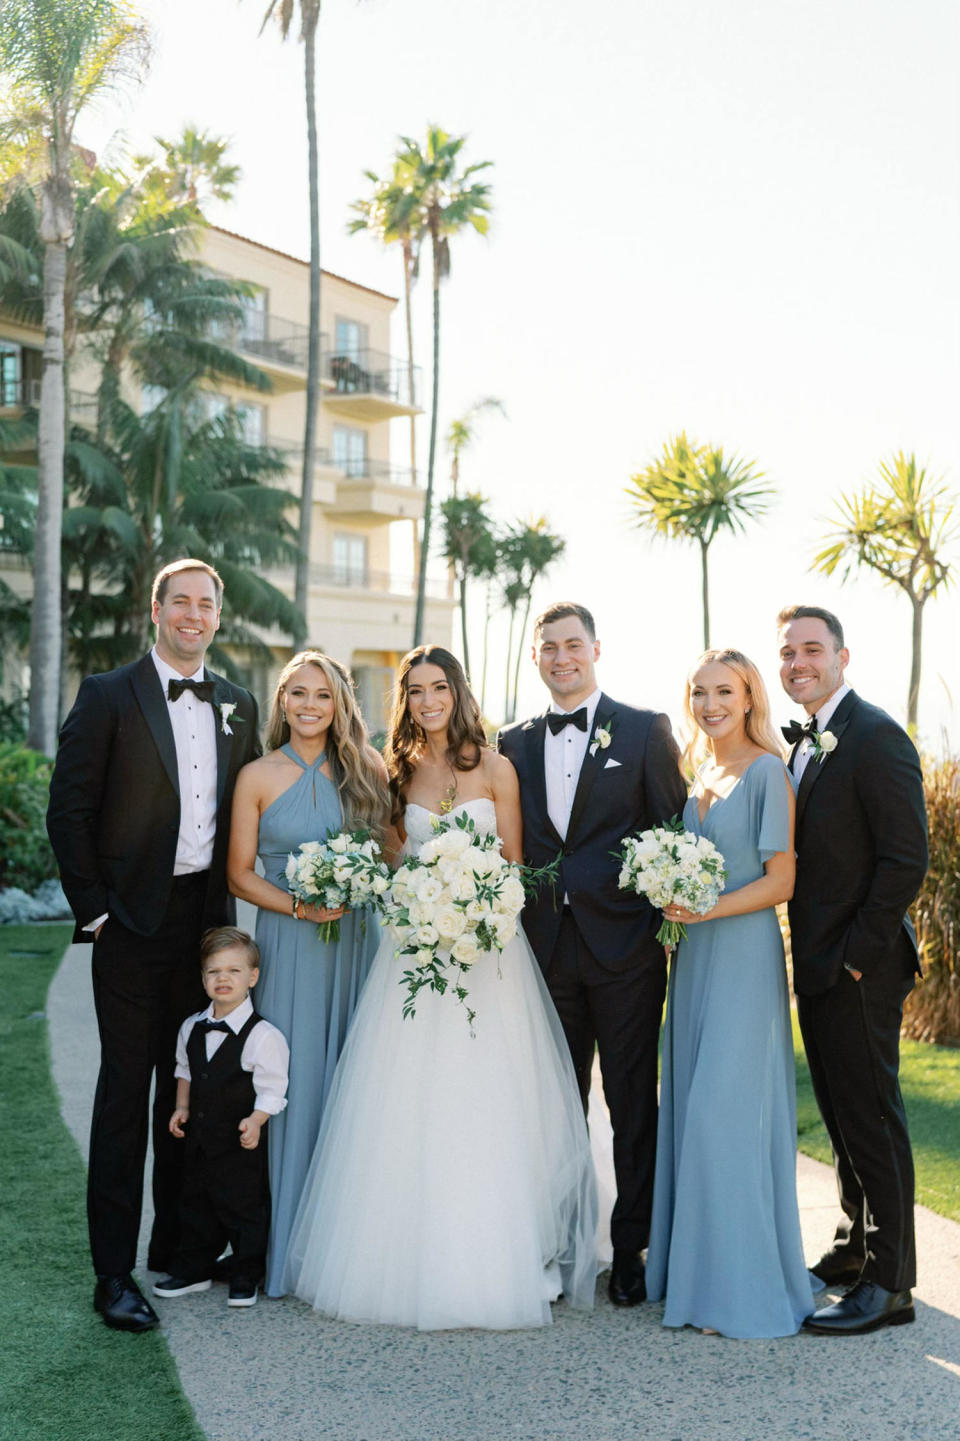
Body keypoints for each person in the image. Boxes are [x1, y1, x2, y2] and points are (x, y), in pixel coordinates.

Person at [284, 645, 597, 1330]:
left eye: (439, 688)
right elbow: (397, 862)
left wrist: (480, 909)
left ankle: (521, 1250)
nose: (428, 701)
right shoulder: (393, 773)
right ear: (406, 700)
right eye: (416, 690)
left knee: (498, 1097)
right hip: (418, 955)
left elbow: (515, 868)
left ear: (458, 692)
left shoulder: (498, 767)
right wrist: (423, 904)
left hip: (489, 956)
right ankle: (412, 1254)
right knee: (413, 1099)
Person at [46, 558, 259, 1332]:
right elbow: (68, 808)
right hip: (130, 926)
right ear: (157, 608)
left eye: (207, 604)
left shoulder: (238, 703)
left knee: (193, 1088)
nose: (194, 614)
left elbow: (253, 808)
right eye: (182, 602)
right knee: (125, 1093)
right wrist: (95, 913)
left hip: (205, 929)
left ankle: (180, 1247)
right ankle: (113, 1273)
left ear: (217, 615)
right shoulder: (109, 694)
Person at [498, 602, 686, 1307]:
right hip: (543, 951)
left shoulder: (643, 730)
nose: (560, 657)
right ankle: (563, 1242)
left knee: (632, 1100)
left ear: (596, 649)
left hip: (627, 949)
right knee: (553, 1105)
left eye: (572, 644)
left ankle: (629, 1246)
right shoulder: (510, 741)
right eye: (548, 647)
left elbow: (671, 831)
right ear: (537, 658)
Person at [644, 648, 814, 1337]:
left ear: (749, 698)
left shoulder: (769, 771)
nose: (711, 705)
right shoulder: (699, 775)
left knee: (724, 1116)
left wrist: (704, 910)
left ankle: (739, 1292)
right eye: (700, 693)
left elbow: (782, 882)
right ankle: (697, 1277)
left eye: (725, 691)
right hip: (692, 958)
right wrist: (671, 914)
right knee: (691, 1109)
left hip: (742, 955)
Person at [777, 604, 928, 1335]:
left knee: (871, 1116)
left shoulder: (877, 737)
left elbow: (907, 860)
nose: (798, 662)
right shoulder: (803, 744)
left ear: (842, 656)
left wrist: (859, 961)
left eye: (812, 649)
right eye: (789, 652)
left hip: (859, 966)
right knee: (840, 1117)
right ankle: (853, 1245)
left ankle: (891, 1281)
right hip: (817, 964)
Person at [227, 651, 390, 1296]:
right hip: (293, 941)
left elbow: (389, 852)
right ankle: (287, 1247)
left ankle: (350, 1244)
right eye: (298, 693)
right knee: (290, 1077)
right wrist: (300, 904)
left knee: (356, 1076)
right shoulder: (257, 776)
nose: (310, 705)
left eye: (322, 695)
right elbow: (240, 871)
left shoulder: (369, 771)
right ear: (282, 702)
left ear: (340, 704)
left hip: (357, 940)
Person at [153, 927, 289, 1309]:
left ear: (253, 977)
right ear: (203, 978)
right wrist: (181, 1108)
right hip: (199, 1138)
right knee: (194, 1202)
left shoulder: (264, 1036)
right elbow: (185, 1071)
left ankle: (247, 1272)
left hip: (239, 1142)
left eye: (233, 971)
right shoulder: (191, 1026)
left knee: (243, 1207)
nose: (223, 979)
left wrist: (257, 1120)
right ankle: (194, 1267)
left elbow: (273, 1087)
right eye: (214, 972)